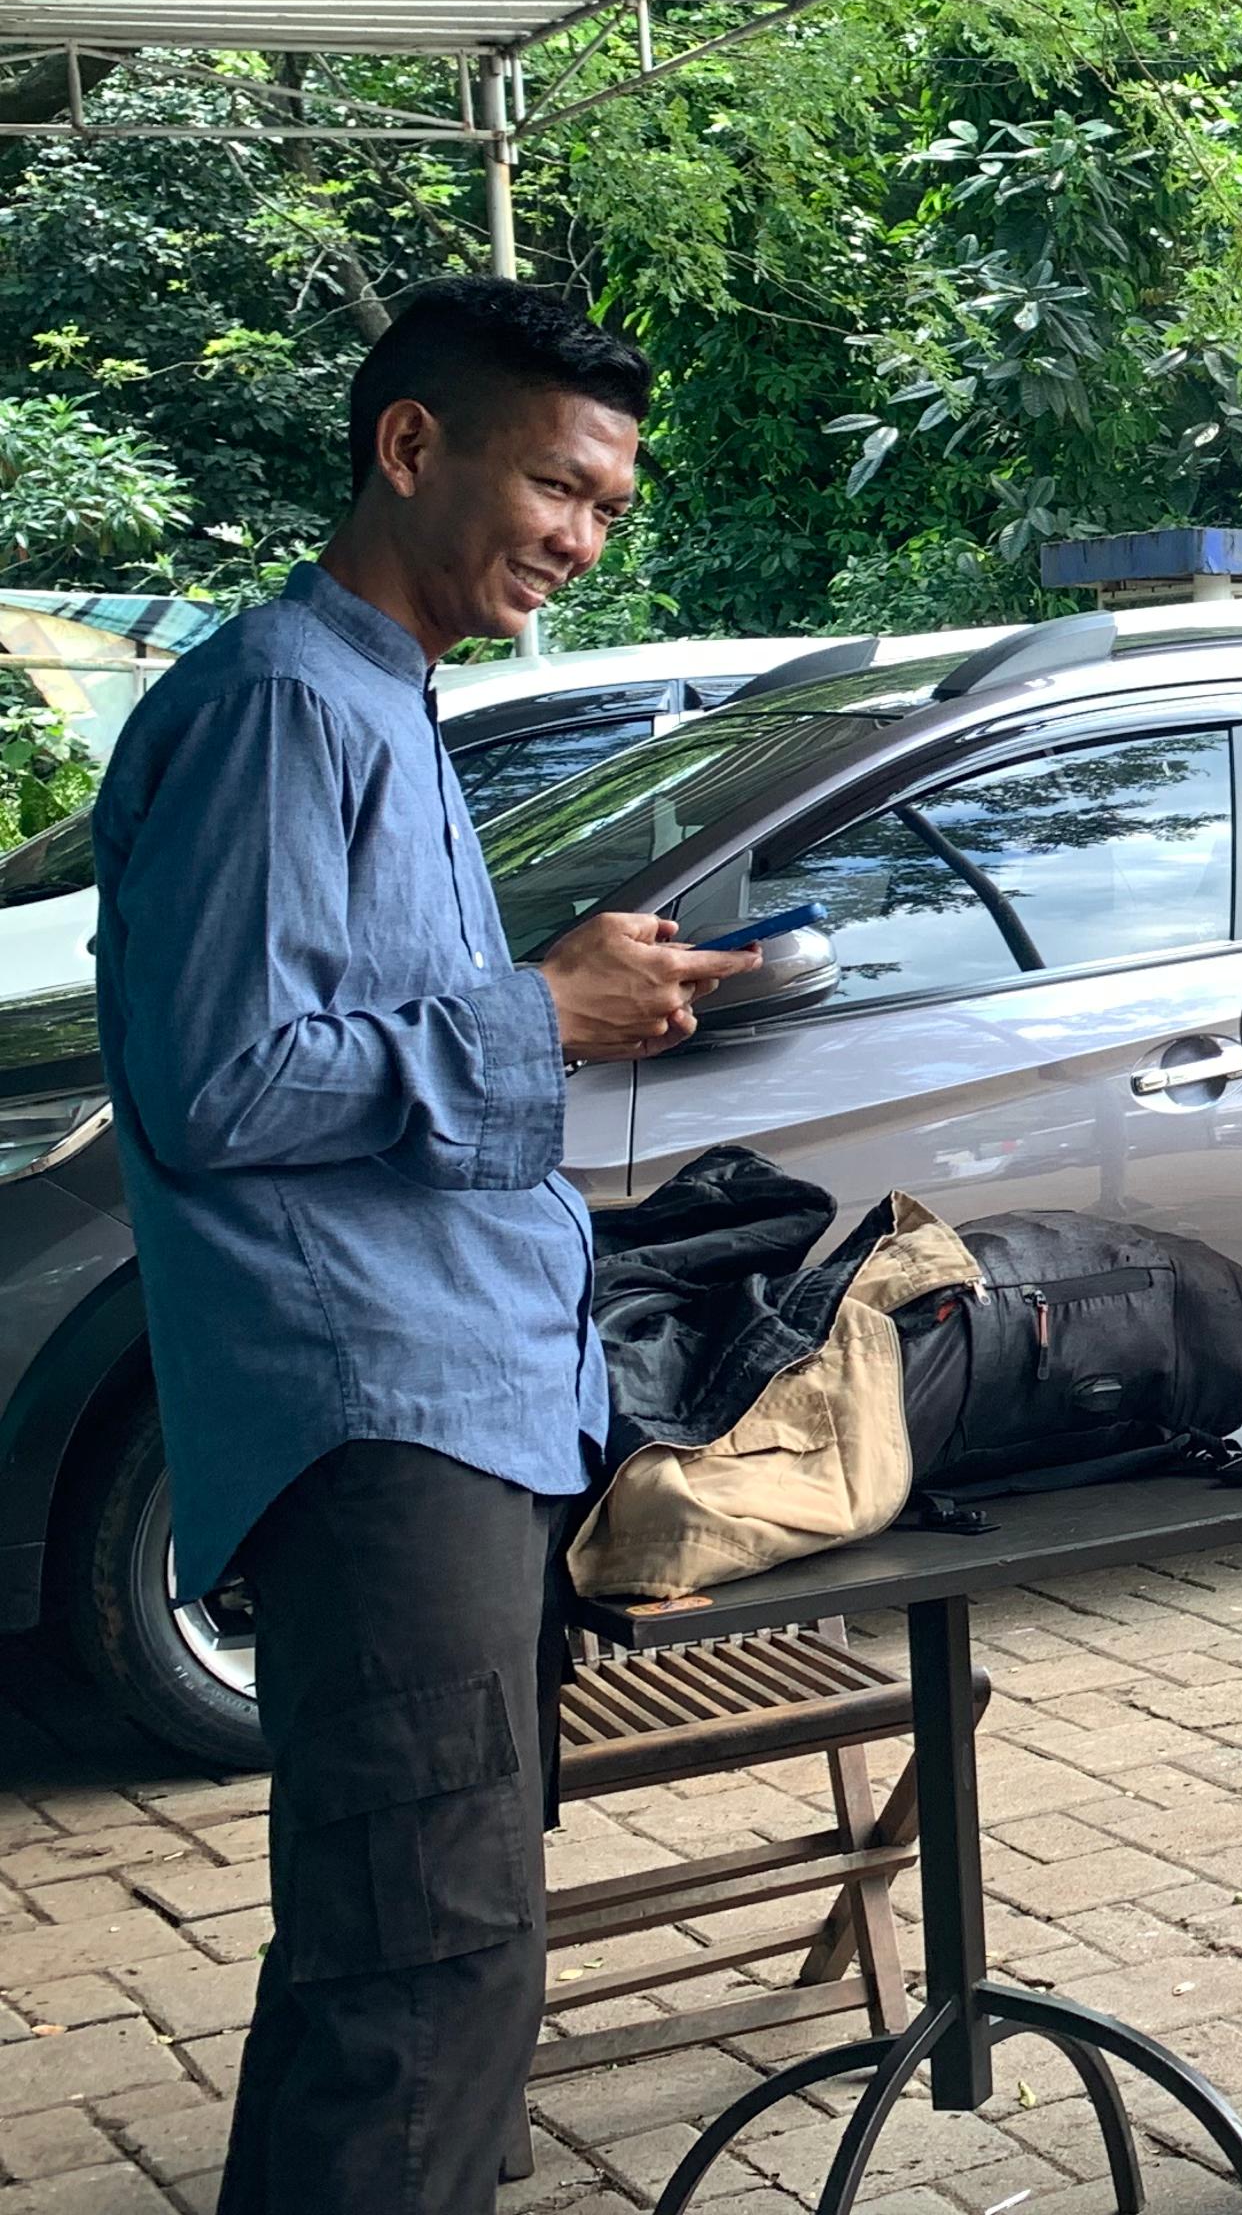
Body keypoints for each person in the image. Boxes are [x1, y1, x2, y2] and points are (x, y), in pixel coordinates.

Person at [91, 278, 758, 2215]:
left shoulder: (375, 702)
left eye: (609, 510)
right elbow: (214, 1085)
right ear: (408, 447)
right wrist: (537, 1013)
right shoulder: (285, 710)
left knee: (389, 1960)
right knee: (430, 1972)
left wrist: (555, 1017)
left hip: (458, 1418)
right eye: (557, 486)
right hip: (381, 1437)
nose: (580, 538)